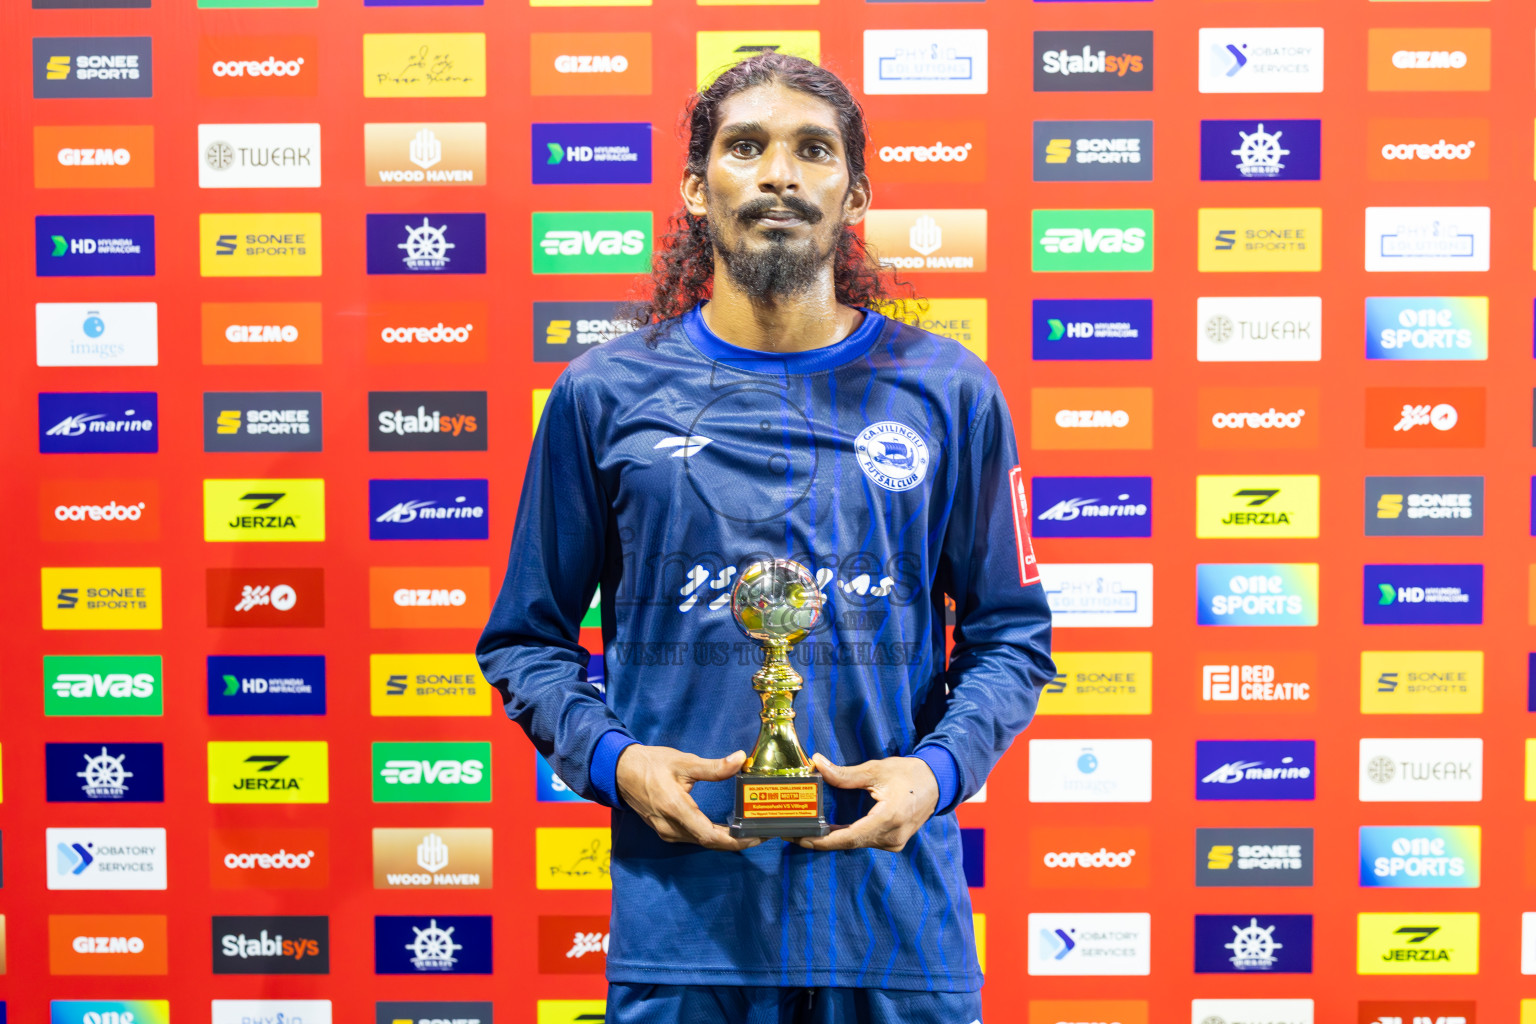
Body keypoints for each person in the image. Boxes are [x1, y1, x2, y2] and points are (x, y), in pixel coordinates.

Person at [478, 52, 1054, 1024]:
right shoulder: (603, 394)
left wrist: (939, 770)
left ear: (855, 191)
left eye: (813, 150)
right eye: (746, 148)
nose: (780, 173)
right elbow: (525, 642)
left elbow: (1011, 636)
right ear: (698, 191)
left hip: (892, 931)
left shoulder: (951, 391)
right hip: (688, 937)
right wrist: (616, 760)